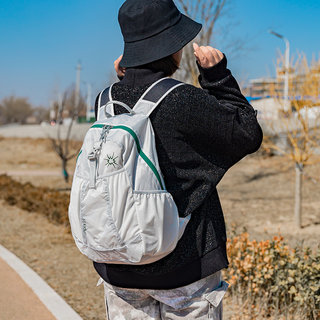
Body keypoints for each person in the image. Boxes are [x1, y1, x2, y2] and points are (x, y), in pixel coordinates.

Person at [93, 0, 263, 319]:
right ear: (170, 48)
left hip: (119, 262)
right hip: (183, 266)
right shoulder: (181, 99)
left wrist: (126, 79)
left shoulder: (105, 100)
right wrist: (217, 75)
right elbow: (246, 133)